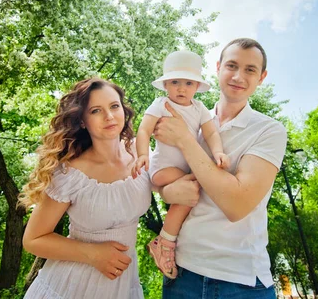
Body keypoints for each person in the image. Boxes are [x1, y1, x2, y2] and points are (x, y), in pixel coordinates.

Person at [19, 77, 200, 299]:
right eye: (96, 111)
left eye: (114, 106)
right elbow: (33, 239)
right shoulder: (71, 173)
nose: (109, 116)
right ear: (83, 121)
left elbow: (161, 185)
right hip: (70, 286)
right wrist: (92, 254)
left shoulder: (138, 151)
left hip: (122, 285)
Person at [154, 38, 288, 298]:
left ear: (262, 77)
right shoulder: (190, 117)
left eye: (250, 69)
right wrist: (166, 192)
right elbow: (164, 173)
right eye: (232, 65)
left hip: (240, 281)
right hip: (181, 274)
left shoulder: (269, 130)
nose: (238, 76)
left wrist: (184, 139)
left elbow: (236, 204)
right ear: (217, 68)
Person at [130, 50, 229, 280]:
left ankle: (166, 240)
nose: (181, 88)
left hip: (181, 171)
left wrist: (218, 152)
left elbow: (211, 133)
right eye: (175, 82)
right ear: (166, 85)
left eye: (188, 83)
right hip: (163, 168)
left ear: (197, 86)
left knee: (190, 195)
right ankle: (165, 240)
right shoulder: (161, 104)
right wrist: (142, 154)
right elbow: (144, 130)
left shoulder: (199, 109)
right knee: (197, 184)